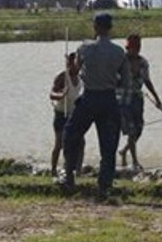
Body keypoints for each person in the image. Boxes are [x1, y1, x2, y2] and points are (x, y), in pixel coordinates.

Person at [59, 12, 129, 199]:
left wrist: (69, 64)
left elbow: (74, 73)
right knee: (108, 146)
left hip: (89, 98)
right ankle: (104, 186)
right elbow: (126, 83)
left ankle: (69, 174)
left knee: (70, 135)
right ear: (110, 28)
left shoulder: (84, 48)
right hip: (108, 100)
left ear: (95, 27)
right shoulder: (119, 52)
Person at [117, 34, 162, 172]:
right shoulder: (120, 61)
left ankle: (124, 150)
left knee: (139, 129)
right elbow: (114, 79)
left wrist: (157, 98)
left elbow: (147, 81)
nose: (133, 51)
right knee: (131, 130)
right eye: (131, 48)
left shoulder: (143, 62)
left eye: (136, 48)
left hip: (137, 98)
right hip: (123, 100)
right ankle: (135, 162)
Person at [49, 51, 83, 177]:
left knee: (80, 143)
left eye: (76, 64)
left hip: (73, 114)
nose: (73, 66)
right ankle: (53, 170)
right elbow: (52, 94)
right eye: (70, 63)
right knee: (59, 144)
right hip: (60, 114)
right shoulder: (62, 77)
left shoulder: (80, 78)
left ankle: (78, 171)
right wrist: (61, 94)